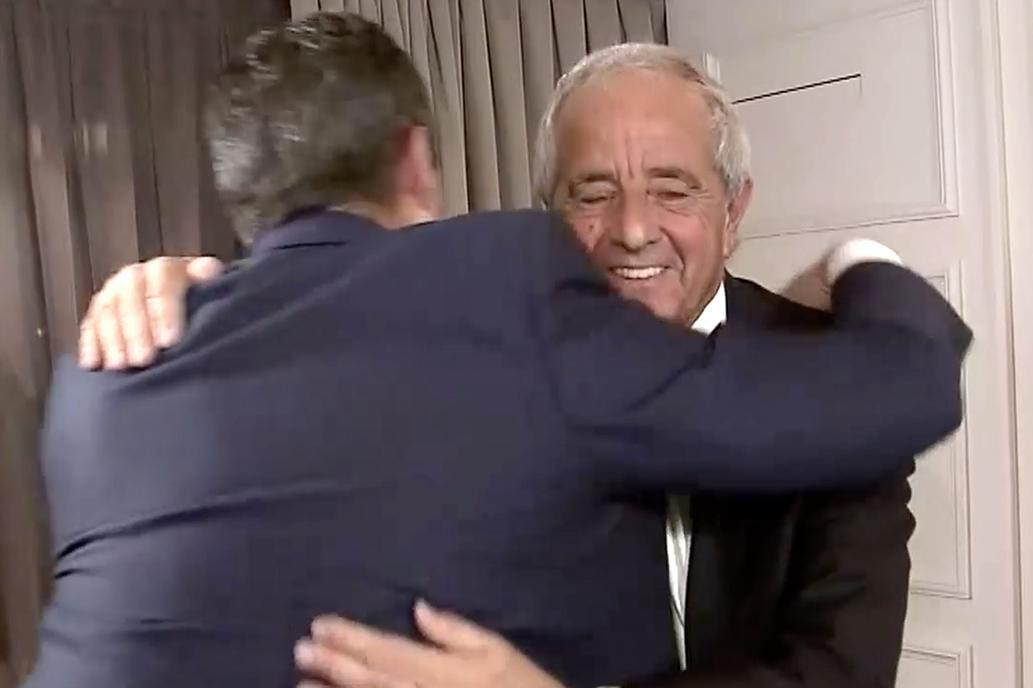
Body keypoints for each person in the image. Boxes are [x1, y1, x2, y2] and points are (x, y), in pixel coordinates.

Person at [53, 15, 969, 688]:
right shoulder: (479, 344)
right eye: (591, 193)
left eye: (673, 189)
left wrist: (853, 262)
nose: (631, 229)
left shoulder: (826, 379)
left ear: (734, 211)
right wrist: (189, 289)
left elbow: (838, 678)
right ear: (544, 219)